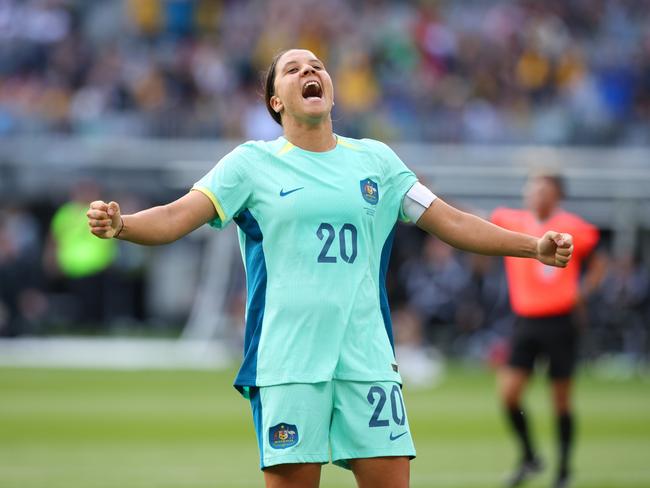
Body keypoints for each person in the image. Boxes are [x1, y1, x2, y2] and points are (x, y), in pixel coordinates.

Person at [87, 49, 574, 488]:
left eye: (317, 66)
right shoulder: (249, 164)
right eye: (294, 69)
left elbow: (451, 221)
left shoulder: (377, 161)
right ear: (276, 102)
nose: (310, 71)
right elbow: (176, 216)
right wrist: (122, 225)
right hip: (288, 361)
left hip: (367, 357)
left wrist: (533, 247)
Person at [491, 172, 599, 488]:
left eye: (543, 190)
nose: (536, 194)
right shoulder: (512, 219)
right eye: (533, 188)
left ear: (557, 196)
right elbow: (465, 219)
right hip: (526, 320)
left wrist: (583, 291)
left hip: (560, 321)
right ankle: (530, 457)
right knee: (509, 394)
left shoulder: (575, 227)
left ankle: (564, 470)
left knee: (561, 400)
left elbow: (599, 262)